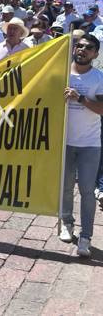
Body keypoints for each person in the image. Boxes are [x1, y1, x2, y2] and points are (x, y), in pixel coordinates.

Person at [61, 34, 103, 257]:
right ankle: (66, 223)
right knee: (66, 187)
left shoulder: (99, 77)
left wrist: (80, 99)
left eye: (89, 47)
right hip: (63, 143)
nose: (83, 49)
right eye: (80, 45)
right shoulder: (61, 72)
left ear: (95, 54)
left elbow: (102, 109)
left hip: (89, 144)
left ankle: (85, 237)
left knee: (87, 190)